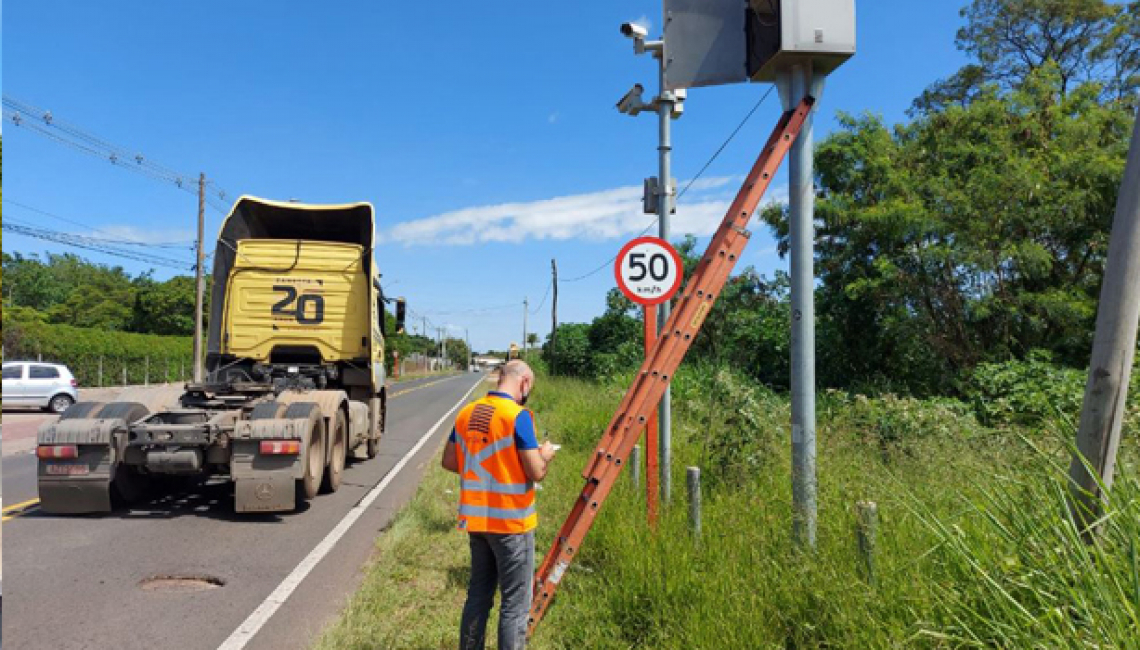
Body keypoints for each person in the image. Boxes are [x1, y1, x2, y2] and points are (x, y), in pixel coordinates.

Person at [442, 359, 557, 650]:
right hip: (512, 525)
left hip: (477, 523)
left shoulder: (467, 413)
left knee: (478, 596)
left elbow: (449, 461)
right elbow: (536, 472)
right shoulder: (517, 416)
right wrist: (544, 454)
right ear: (524, 383)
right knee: (515, 606)